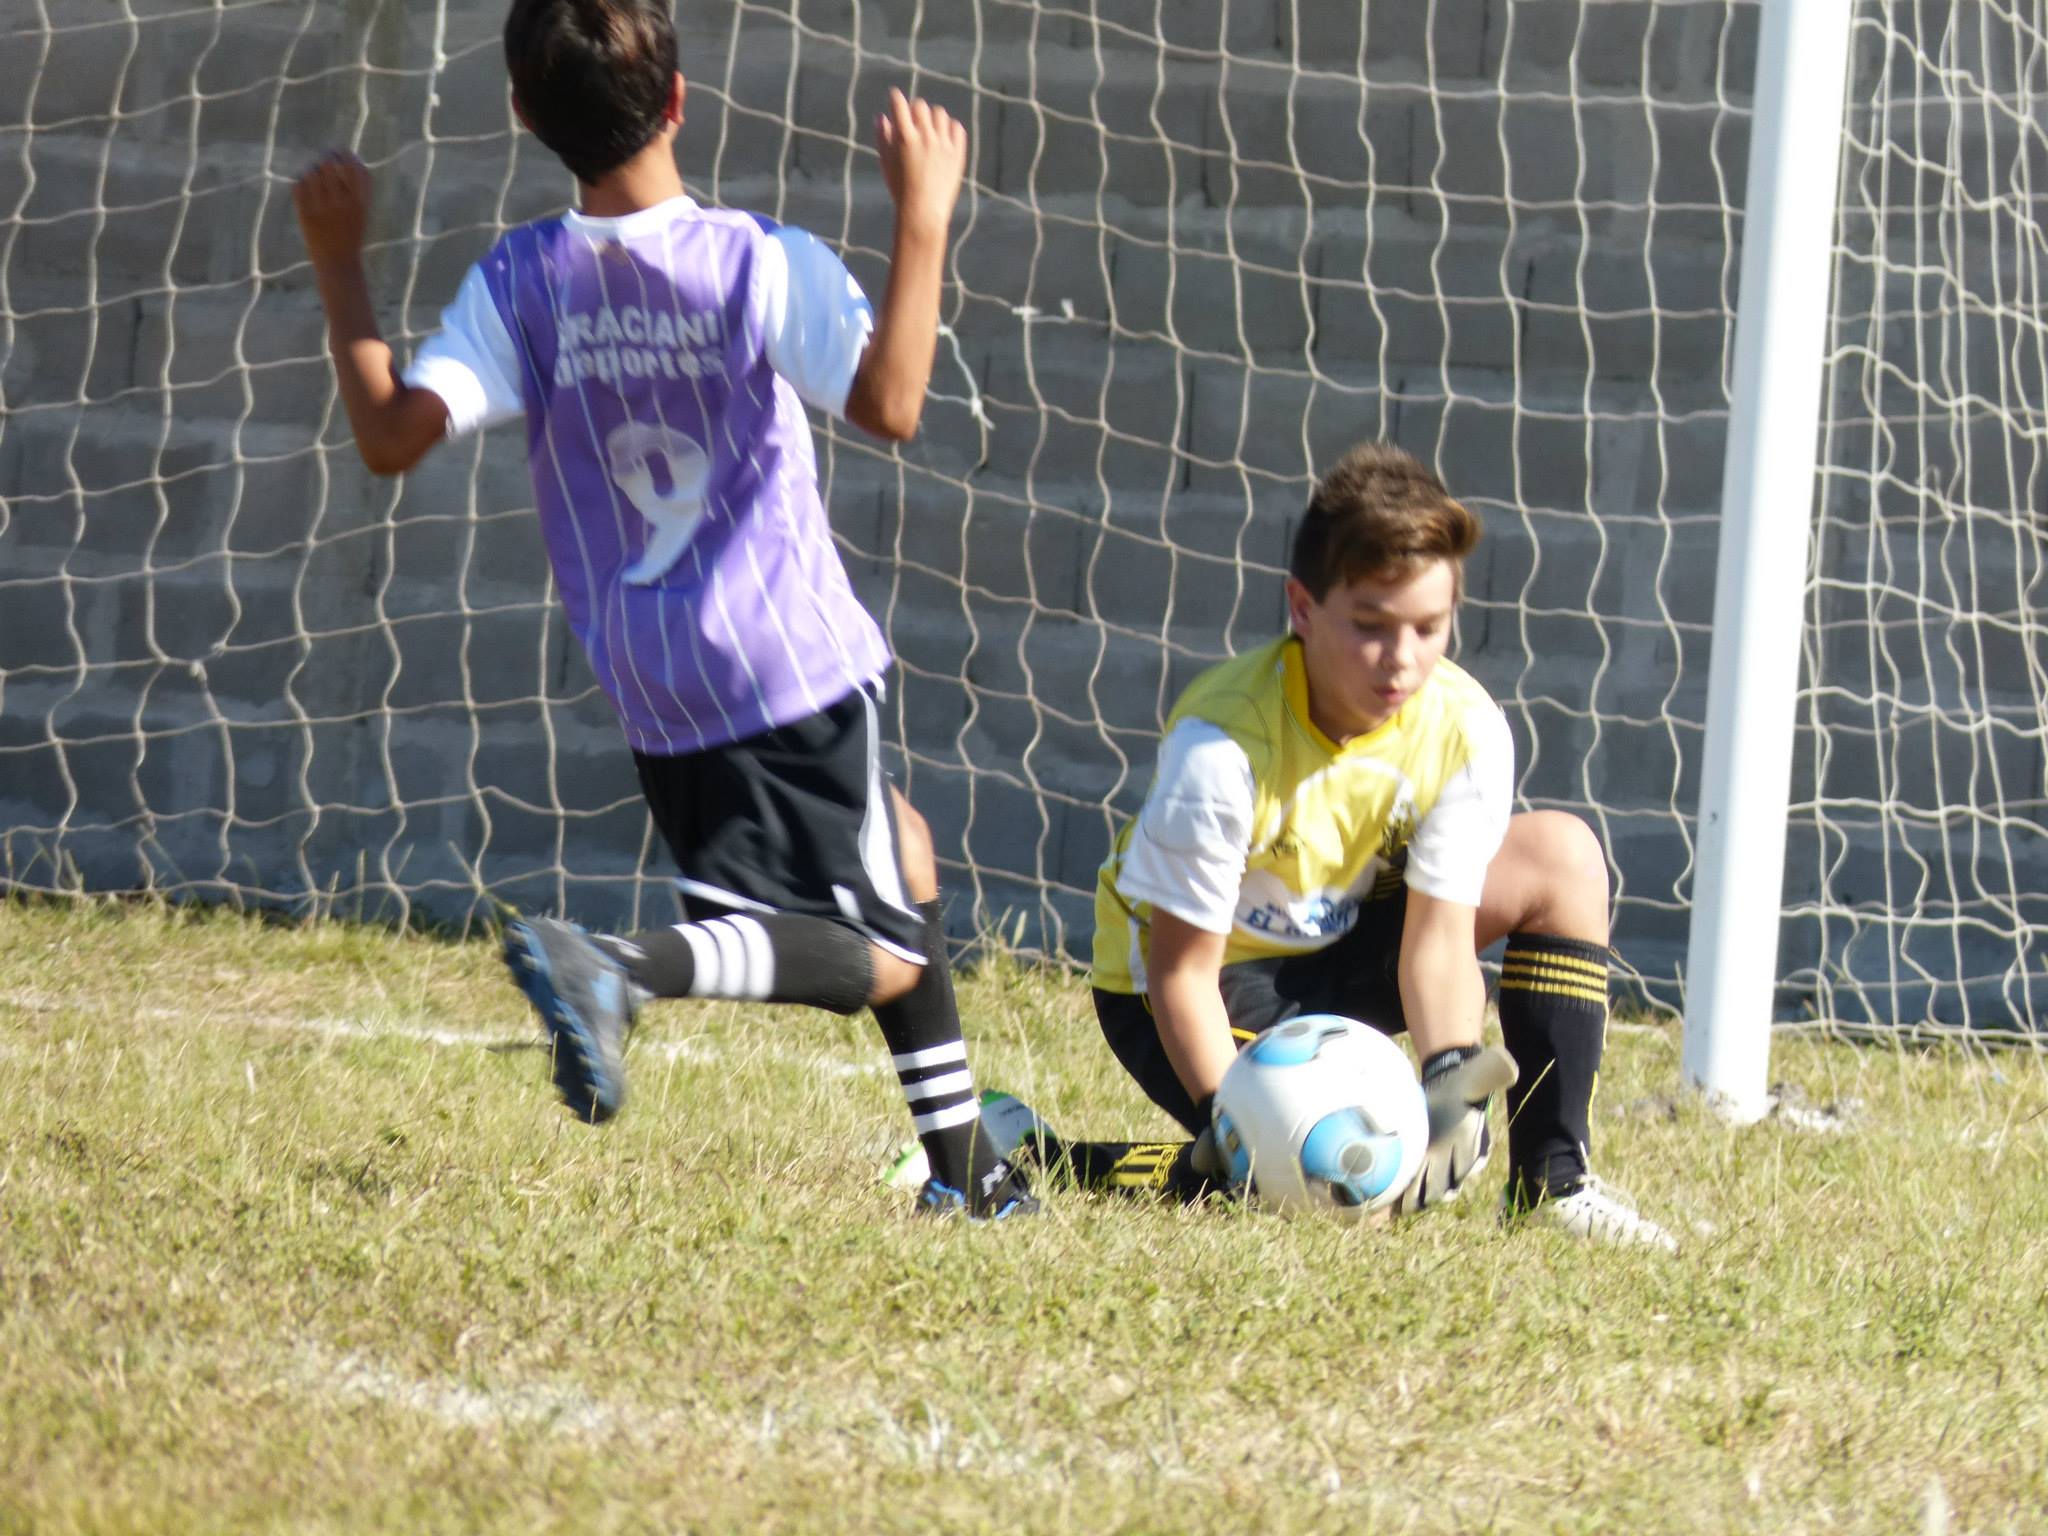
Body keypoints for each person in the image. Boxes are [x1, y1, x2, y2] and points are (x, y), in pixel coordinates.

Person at [292, 0, 1033, 1219]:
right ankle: (618, 968)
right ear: (681, 100)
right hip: (787, 660)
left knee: (898, 850)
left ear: (526, 116)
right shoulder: (756, 258)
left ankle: (965, 1177)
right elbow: (891, 402)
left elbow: (387, 437)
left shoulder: (519, 280)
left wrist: (338, 262)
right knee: (881, 952)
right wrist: (922, 219)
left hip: (650, 672)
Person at [1024, 442, 1674, 1248]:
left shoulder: (1465, 728)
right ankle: (1053, 1158)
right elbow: (1176, 973)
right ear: (1302, 608)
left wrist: (1449, 1084)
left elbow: (1437, 947)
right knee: (1333, 1178)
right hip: (1200, 983)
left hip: (1347, 942)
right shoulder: (1220, 750)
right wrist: (1237, 1129)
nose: (1402, 660)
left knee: (1561, 856)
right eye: (1370, 626)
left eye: (1429, 628)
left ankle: (1553, 1185)